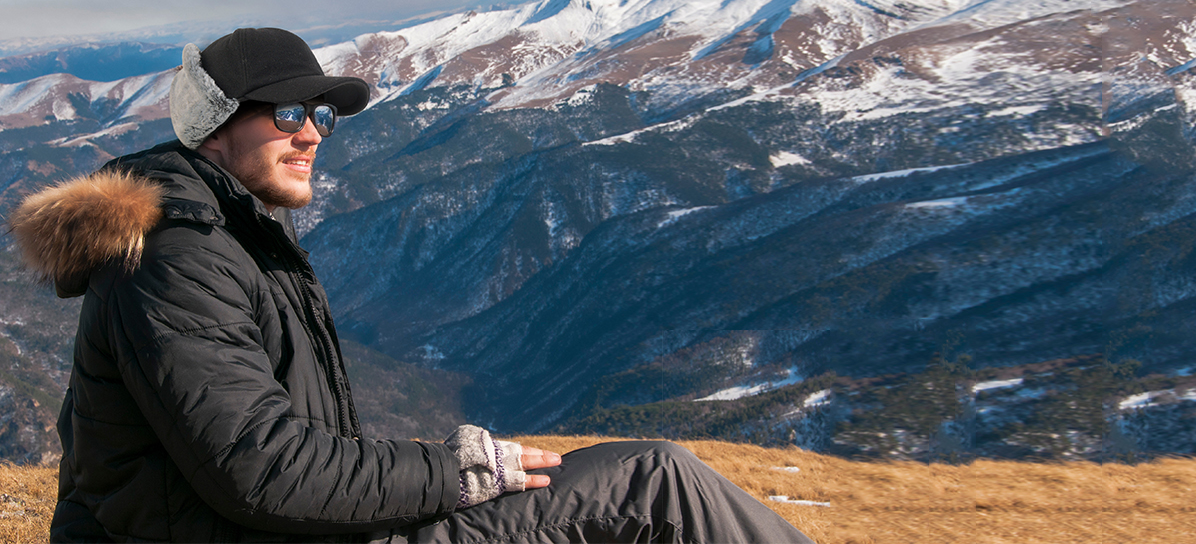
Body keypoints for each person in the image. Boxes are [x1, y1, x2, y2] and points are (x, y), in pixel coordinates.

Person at [9, 27, 814, 544]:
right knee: (651, 481)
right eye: (291, 112)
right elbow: (265, 470)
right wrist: (459, 472)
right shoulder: (178, 258)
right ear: (215, 124)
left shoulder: (229, 235)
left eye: (324, 118)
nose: (313, 134)